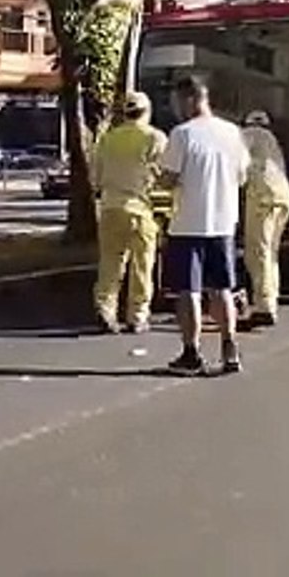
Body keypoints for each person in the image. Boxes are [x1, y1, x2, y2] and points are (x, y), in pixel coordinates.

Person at [160, 77, 250, 375]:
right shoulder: (231, 133)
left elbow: (169, 178)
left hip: (188, 224)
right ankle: (230, 347)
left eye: (177, 102)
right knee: (222, 288)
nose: (175, 109)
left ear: (189, 100)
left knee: (189, 291)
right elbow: (242, 176)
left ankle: (191, 352)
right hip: (223, 222)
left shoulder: (182, 134)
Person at [90, 91, 168, 334]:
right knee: (142, 265)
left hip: (111, 207)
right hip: (141, 209)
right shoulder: (155, 138)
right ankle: (137, 315)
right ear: (147, 112)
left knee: (110, 263)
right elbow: (164, 177)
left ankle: (105, 308)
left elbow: (95, 178)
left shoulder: (108, 139)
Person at [241, 109, 289, 328]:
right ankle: (270, 300)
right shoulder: (272, 141)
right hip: (283, 197)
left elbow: (235, 161)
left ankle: (264, 307)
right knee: (270, 253)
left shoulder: (249, 134)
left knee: (257, 252)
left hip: (264, 198)